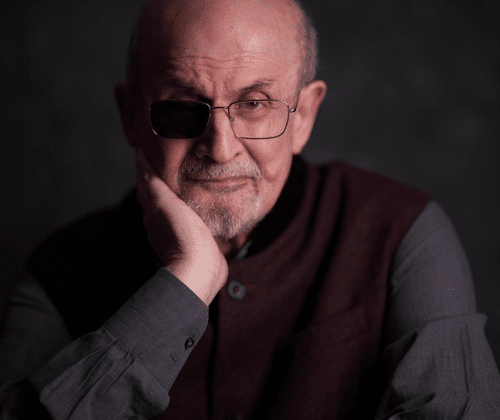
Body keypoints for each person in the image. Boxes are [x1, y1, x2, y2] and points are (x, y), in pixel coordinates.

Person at [1, 0, 499, 418]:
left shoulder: (403, 232)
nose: (220, 150)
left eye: (255, 104)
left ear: (304, 116)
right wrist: (187, 281)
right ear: (131, 116)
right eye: (183, 105)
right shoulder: (59, 272)